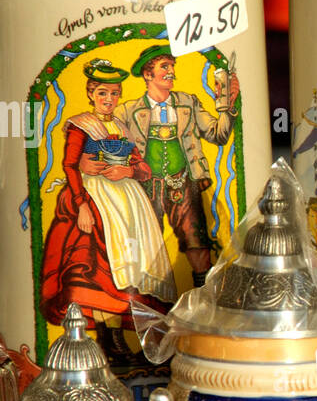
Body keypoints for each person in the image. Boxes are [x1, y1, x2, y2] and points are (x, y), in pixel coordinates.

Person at [40, 60, 176, 333]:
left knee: (133, 269)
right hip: (94, 198)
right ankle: (107, 336)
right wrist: (81, 206)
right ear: (91, 93)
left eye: (114, 93)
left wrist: (128, 170)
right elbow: (69, 164)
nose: (108, 99)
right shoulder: (81, 125)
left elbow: (144, 169)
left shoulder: (123, 128)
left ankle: (129, 334)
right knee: (95, 268)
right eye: (102, 93)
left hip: (128, 204)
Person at [114, 44, 239, 286]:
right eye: (164, 67)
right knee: (145, 247)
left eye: (172, 66)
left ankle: (203, 301)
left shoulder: (187, 103)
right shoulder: (128, 110)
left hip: (183, 183)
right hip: (144, 187)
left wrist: (226, 107)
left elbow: (218, 136)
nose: (171, 71)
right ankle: (147, 306)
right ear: (148, 75)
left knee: (196, 242)